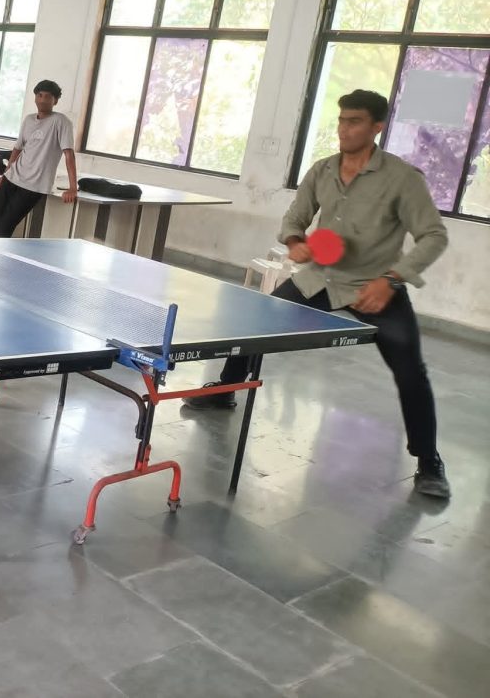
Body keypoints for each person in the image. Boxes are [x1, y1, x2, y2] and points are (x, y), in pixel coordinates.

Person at [185, 90, 451, 499]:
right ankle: (225, 391)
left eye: (355, 121)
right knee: (255, 324)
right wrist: (295, 241)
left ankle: (429, 461)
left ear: (377, 127)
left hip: (376, 286)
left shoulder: (402, 178)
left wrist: (392, 279)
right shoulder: (322, 170)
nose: (344, 129)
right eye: (342, 120)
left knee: (411, 372)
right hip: (320, 279)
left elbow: (434, 236)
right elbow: (296, 217)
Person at [0, 79, 78, 237]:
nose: (42, 100)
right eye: (39, 95)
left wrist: (72, 188)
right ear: (35, 97)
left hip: (33, 186)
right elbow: (17, 149)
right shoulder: (29, 119)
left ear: (55, 101)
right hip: (11, 178)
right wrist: (6, 173)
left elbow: (69, 155)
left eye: (48, 97)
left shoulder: (61, 122)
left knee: (4, 228)